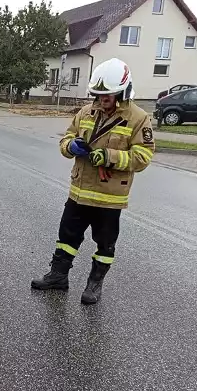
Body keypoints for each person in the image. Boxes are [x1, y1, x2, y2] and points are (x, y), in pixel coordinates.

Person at [31, 58, 155, 304]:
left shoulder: (138, 118)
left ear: (123, 91)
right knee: (66, 237)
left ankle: (94, 285)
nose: (101, 100)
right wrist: (70, 146)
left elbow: (143, 156)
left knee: (105, 245)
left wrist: (108, 156)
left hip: (109, 199)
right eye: (98, 95)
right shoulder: (86, 112)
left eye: (107, 95)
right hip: (79, 192)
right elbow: (66, 139)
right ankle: (58, 277)